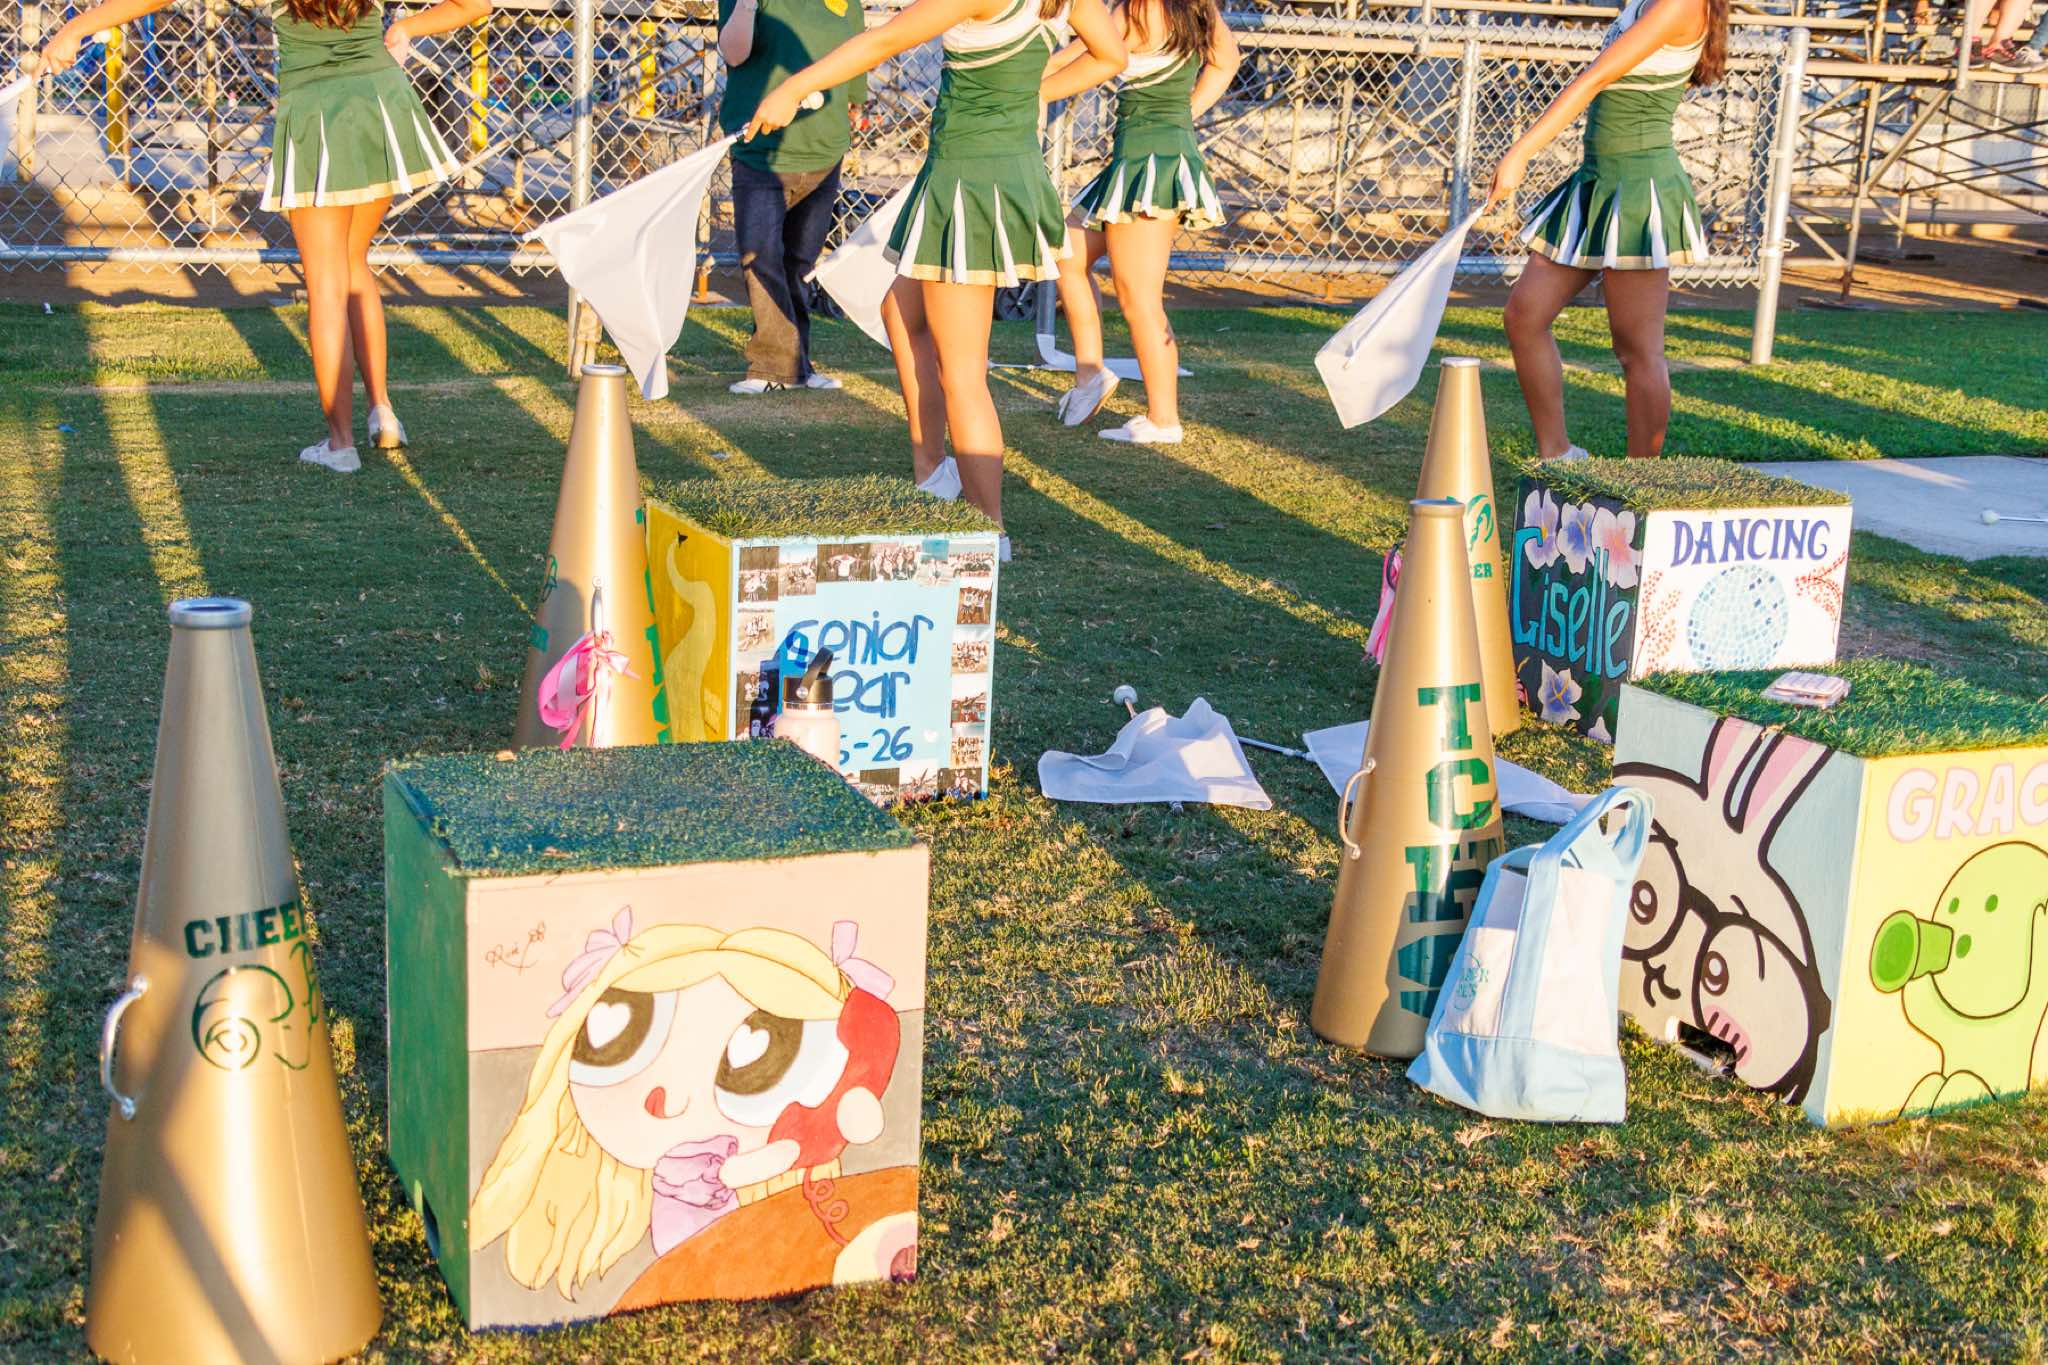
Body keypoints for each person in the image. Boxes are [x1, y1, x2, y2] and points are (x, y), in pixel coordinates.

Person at [32, 0, 486, 472]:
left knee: (326, 284)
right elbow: (476, 4)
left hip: (318, 112)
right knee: (353, 262)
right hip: (380, 99)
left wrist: (76, 28)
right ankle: (382, 411)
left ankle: (341, 444)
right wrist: (407, 27)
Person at [745, 0, 1127, 556]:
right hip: (983, 169)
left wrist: (792, 88)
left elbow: (884, 42)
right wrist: (1027, 93)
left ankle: (987, 530)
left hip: (971, 181)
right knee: (900, 311)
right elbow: (1111, 55)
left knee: (963, 374)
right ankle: (933, 474)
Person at [1488, 0, 1725, 462]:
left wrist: (1521, 152)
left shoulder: (1681, 3)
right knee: (1524, 316)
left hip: (1638, 188)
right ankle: (1557, 455)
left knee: (1637, 350)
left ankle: (1641, 479)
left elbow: (1594, 78)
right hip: (1597, 180)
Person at [1044, 0, 1238, 445]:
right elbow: (1226, 61)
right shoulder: (1196, 6)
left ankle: (1164, 420)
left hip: (1150, 163)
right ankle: (1091, 375)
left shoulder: (1137, 10)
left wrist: (1012, 85)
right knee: (1069, 253)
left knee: (1139, 300)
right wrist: (1183, 114)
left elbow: (1079, 58)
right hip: (1138, 154)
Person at [716, 0, 870, 395]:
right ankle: (772, 366)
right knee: (761, 256)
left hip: (823, 152)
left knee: (799, 261)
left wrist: (852, 109)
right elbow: (733, 54)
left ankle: (797, 364)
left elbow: (856, 66)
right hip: (761, 151)